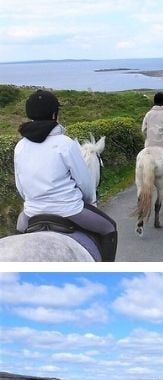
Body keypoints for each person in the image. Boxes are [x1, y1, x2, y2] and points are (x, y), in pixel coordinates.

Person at [14, 89, 117, 261]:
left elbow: (21, 186)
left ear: (29, 113)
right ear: (55, 113)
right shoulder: (65, 144)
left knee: (17, 236)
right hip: (70, 210)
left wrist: (35, 200)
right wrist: (89, 200)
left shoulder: (20, 146)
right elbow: (85, 183)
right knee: (109, 228)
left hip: (32, 211)